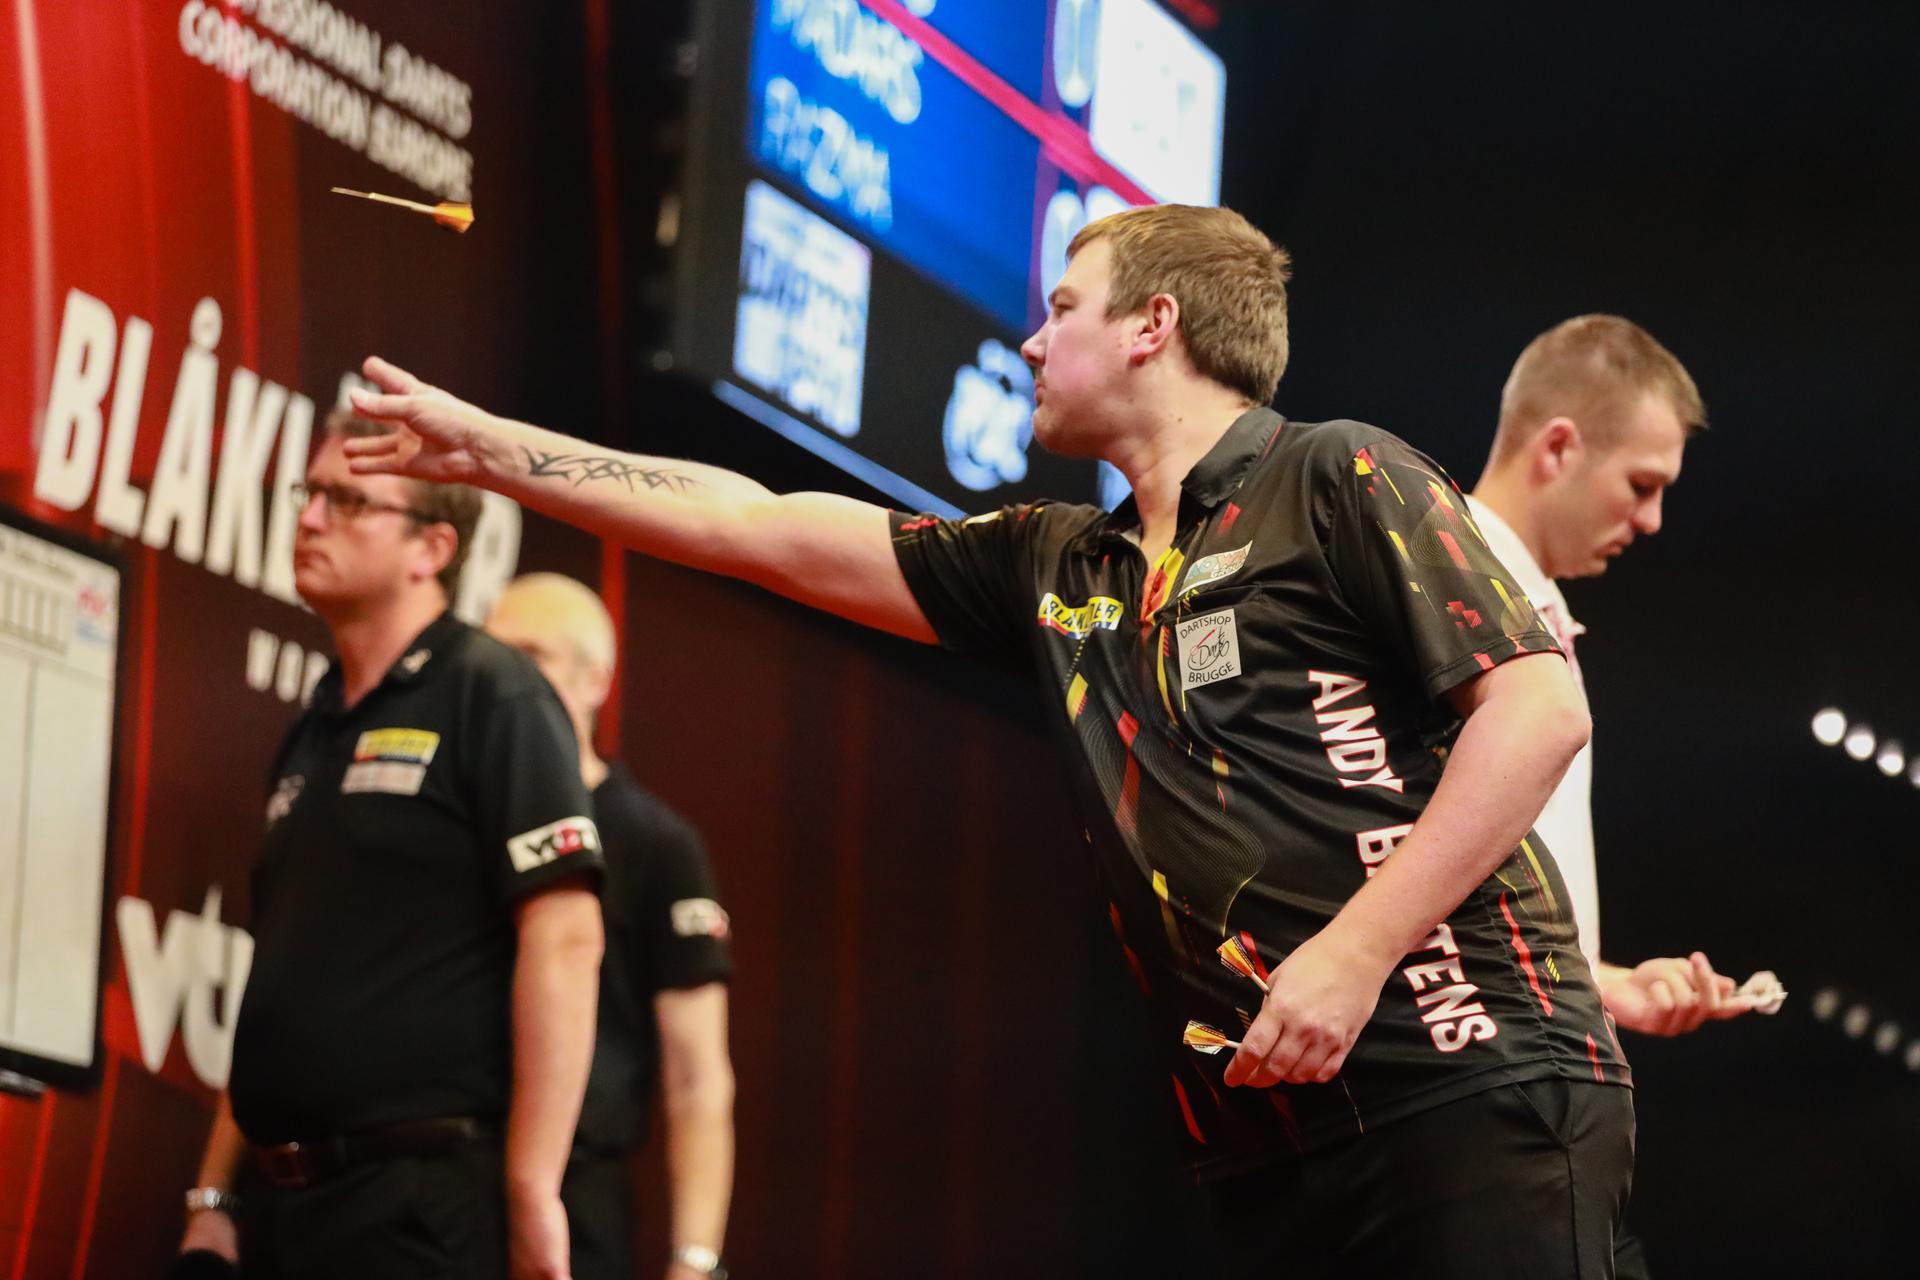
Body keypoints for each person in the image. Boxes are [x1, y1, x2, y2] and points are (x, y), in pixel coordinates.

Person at [346, 204, 1628, 1276]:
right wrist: (490, 451)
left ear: (1152, 326)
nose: (1030, 339)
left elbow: (1540, 710)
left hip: (1480, 1084)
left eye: (1062, 308)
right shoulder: (1054, 562)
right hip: (1274, 1138)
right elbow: (755, 523)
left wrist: (1356, 948)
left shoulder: (1338, 473)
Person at [176, 411, 606, 1280]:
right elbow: (282, 978)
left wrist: (532, 1186)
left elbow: (566, 938)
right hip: (281, 1208)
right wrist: (214, 1199)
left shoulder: (494, 692)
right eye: (308, 493)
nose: (309, 518)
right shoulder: (315, 723)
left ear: (432, 548)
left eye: (346, 500)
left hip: (418, 1206)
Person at [1468, 315, 1757, 1274]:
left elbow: (1492, 866)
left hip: (1533, 1090)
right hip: (1478, 1103)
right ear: (1559, 446)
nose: (1654, 520)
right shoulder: (1448, 593)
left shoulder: (1527, 604)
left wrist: (1603, 983)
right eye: (1641, 484)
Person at [485, 573, 736, 1280]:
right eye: (494, 658)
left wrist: (695, 1262)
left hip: (579, 1191)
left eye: (531, 659)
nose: (506, 682)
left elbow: (698, 1076)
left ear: (597, 680)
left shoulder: (656, 843)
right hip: (440, 1183)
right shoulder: (457, 816)